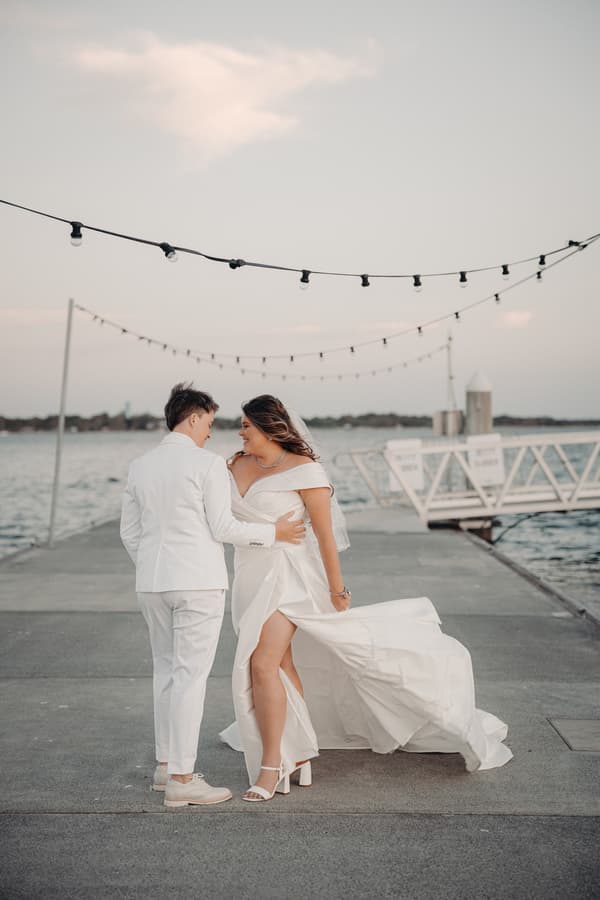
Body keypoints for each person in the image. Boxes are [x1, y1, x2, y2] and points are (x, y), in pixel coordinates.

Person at [220, 395, 512, 802]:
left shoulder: (307, 471)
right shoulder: (235, 465)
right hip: (249, 575)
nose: (240, 432)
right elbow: (221, 519)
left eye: (246, 425)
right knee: (282, 665)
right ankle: (299, 755)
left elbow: (324, 538)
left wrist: (336, 591)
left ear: (269, 427)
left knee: (262, 663)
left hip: (289, 578)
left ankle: (272, 765)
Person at [120, 383, 306, 808]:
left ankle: (166, 765)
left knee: (165, 673)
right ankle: (183, 779)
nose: (211, 431)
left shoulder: (140, 466)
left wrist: (153, 562)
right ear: (193, 417)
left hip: (152, 582)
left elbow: (129, 532)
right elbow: (223, 528)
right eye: (209, 421)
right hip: (198, 583)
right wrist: (272, 532)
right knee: (190, 676)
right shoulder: (206, 465)